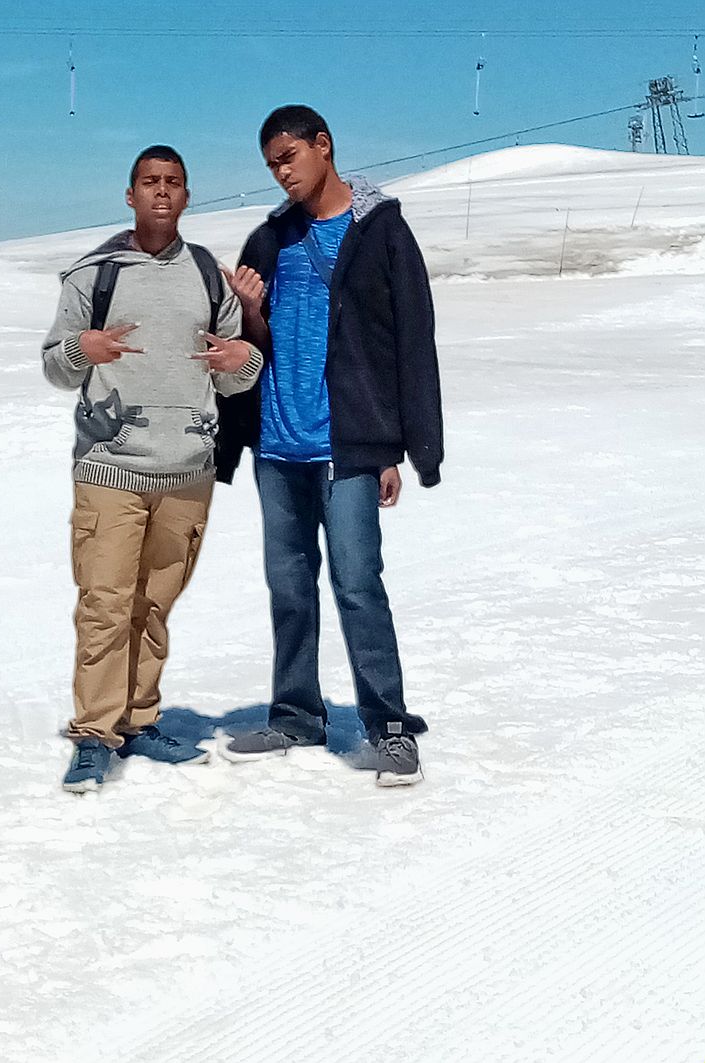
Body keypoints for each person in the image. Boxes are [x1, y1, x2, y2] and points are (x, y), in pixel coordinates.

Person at [216, 105, 443, 786]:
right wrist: (249, 311)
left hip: (346, 446)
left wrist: (399, 448)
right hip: (277, 447)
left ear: (323, 145)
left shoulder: (381, 232)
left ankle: (389, 725)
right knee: (288, 585)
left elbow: (409, 343)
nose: (281, 172)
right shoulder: (267, 239)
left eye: (289, 156)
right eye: (270, 164)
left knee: (355, 582)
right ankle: (294, 713)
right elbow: (248, 347)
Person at [41, 145, 264, 793]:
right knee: (105, 603)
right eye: (149, 182)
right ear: (130, 194)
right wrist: (84, 347)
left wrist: (241, 360)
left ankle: (138, 718)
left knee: (154, 603)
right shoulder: (94, 275)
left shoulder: (206, 276)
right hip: (109, 467)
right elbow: (55, 365)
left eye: (172, 183)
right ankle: (93, 732)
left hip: (187, 471)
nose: (161, 192)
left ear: (187, 196)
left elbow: (237, 372)